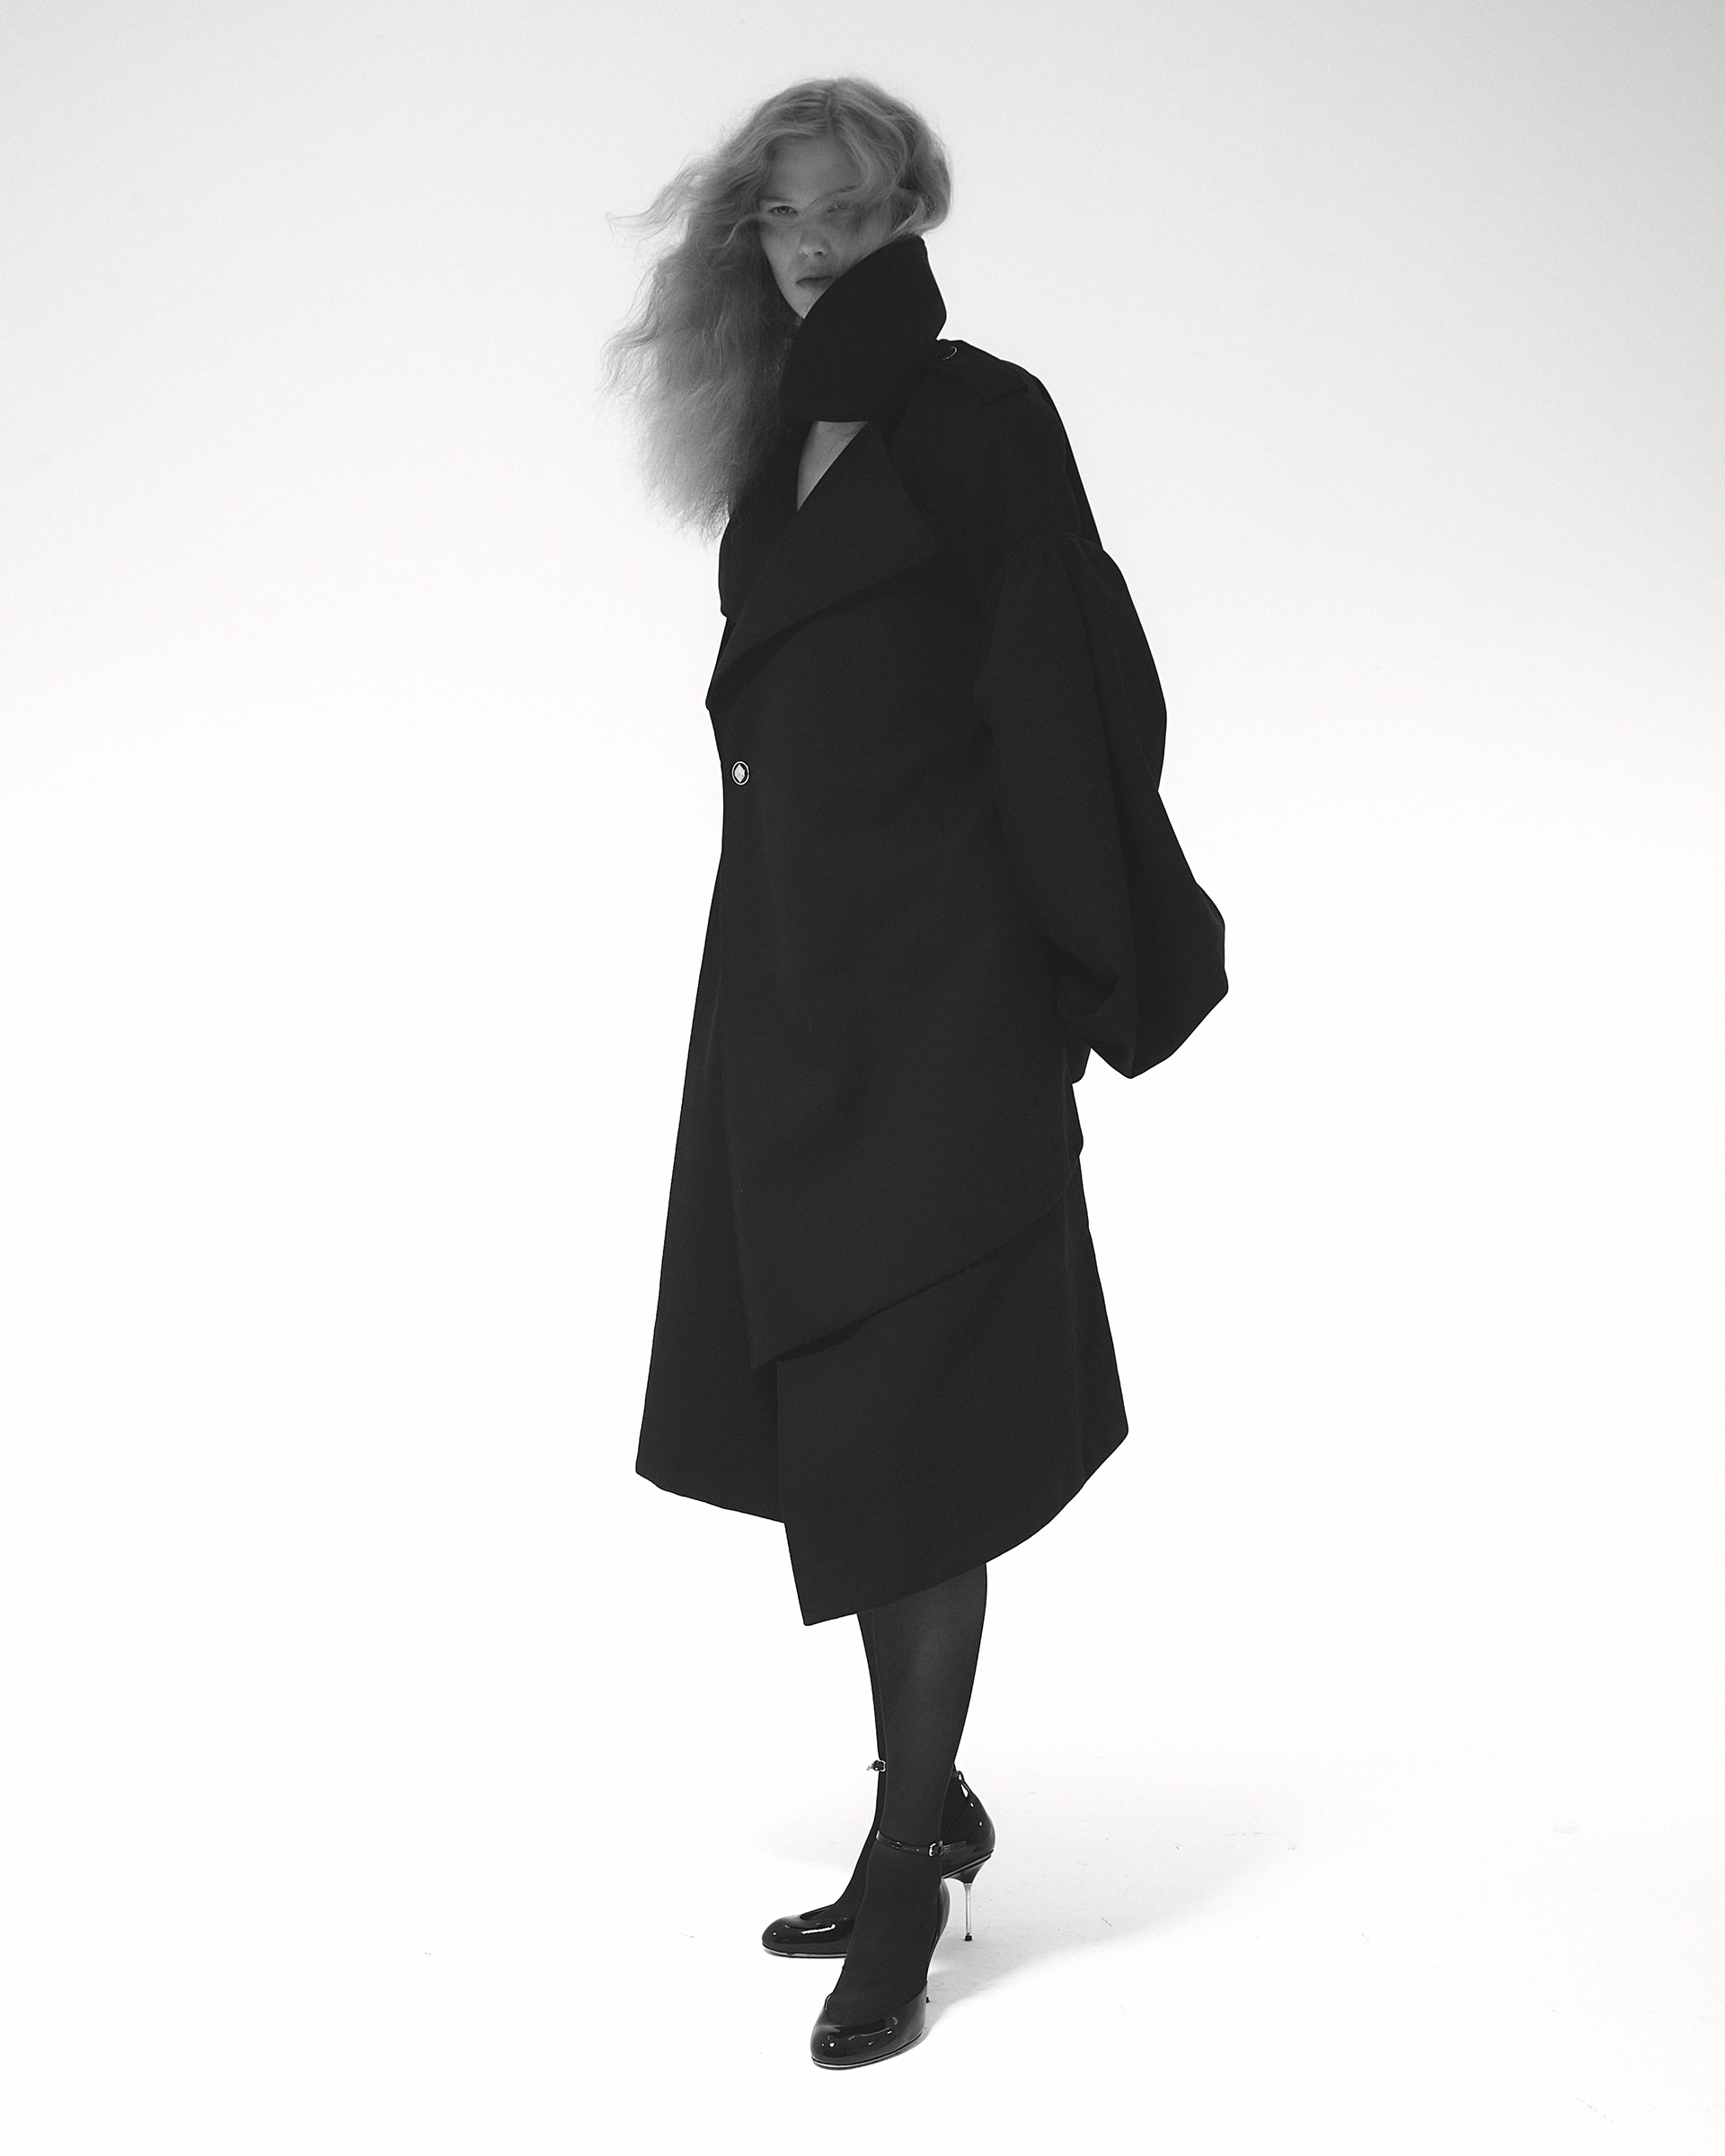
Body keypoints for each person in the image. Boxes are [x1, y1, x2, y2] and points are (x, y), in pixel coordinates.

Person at [604, 76, 1226, 2070]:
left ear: (910, 219)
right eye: (788, 219)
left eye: (856, 216)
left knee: (916, 1421)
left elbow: (1074, 696)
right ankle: (931, 1807)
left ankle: (907, 1863)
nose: (819, 250)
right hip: (795, 991)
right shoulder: (773, 436)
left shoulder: (982, 422)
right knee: (852, 1419)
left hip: (942, 1000)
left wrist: (1065, 974)